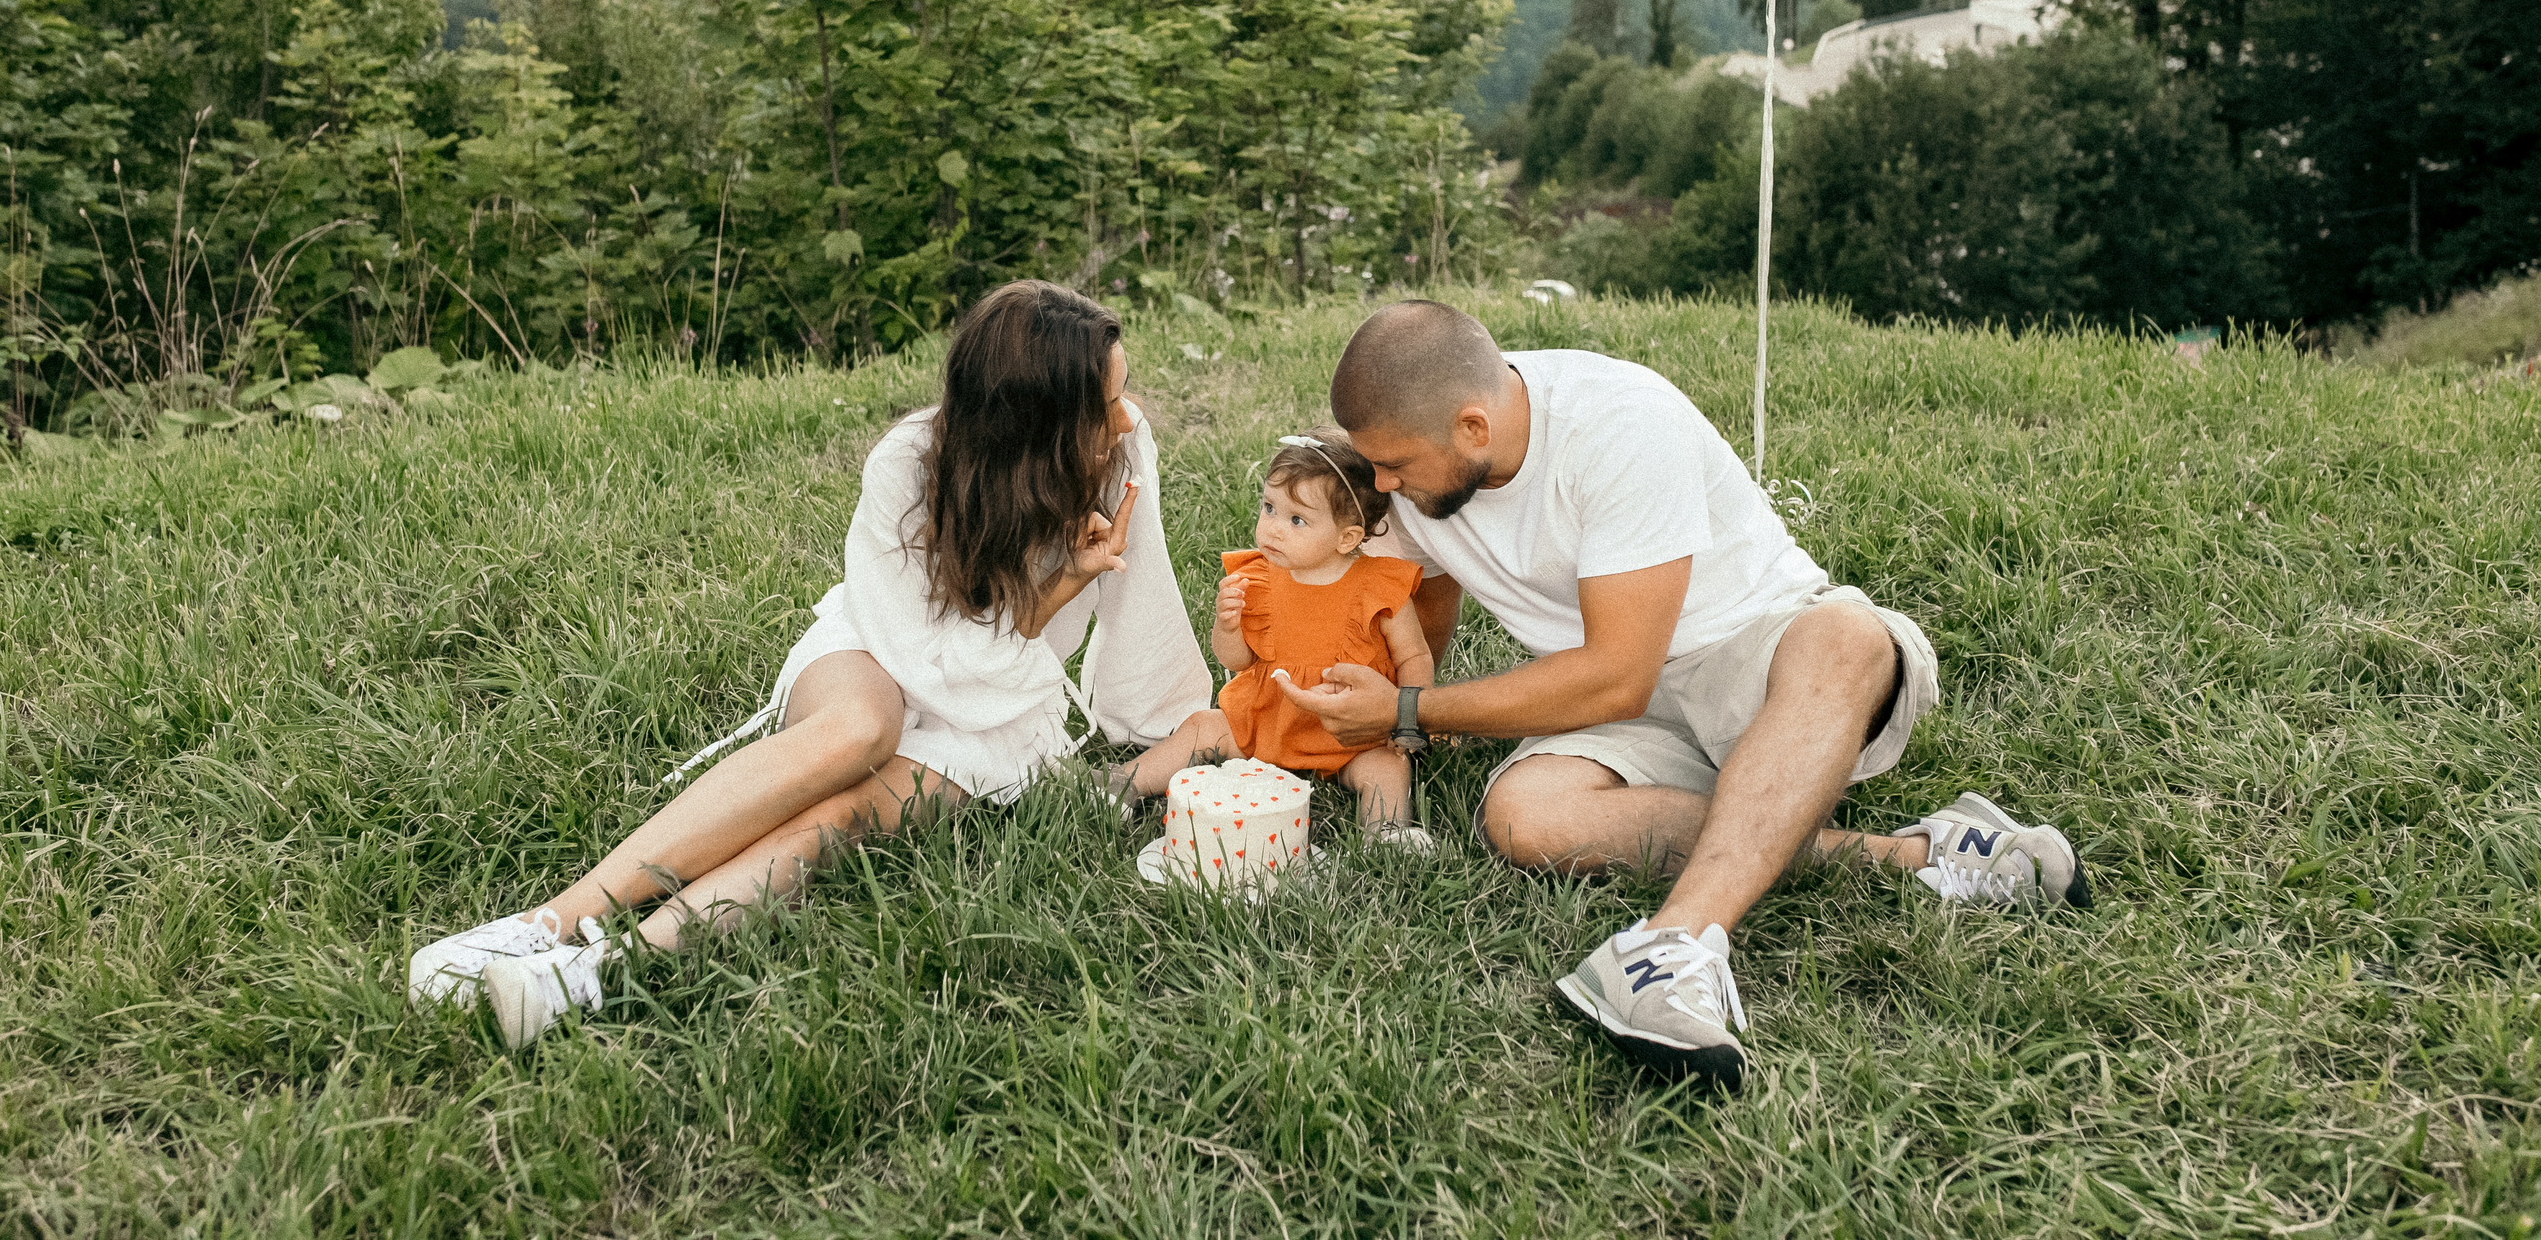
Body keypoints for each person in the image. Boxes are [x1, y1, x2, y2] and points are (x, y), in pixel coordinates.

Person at [1280, 300, 2090, 1092]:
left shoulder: (1619, 424)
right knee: (1526, 817)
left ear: (1473, 429)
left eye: (1394, 464)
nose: (1380, 483)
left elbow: (1616, 670)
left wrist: (1411, 710)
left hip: (1760, 661)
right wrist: (1408, 695)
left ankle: (1670, 947)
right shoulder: (1427, 474)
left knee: (1847, 635)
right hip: (1622, 716)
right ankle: (1928, 854)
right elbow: (1421, 586)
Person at [407, 281, 1211, 1047]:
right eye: (1105, 402)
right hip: (878, 652)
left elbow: (1139, 610)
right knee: (861, 728)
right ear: (1036, 420)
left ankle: (598, 969)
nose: (1129, 412)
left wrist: (1137, 680)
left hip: (997, 711)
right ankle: (545, 920)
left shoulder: (1119, 454)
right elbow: (914, 648)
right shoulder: (908, 463)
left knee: (842, 815)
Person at [1113, 429, 1436, 847]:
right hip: (1264, 720)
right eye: (1269, 508)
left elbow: (1414, 656)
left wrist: (1410, 719)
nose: (1273, 529)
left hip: (1349, 733)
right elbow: (1239, 660)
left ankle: (1386, 830)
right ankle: (1125, 781)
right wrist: (1227, 626)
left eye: (1296, 520)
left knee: (1387, 768)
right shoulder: (1258, 577)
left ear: (1348, 538)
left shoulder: (1379, 586)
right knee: (1202, 726)